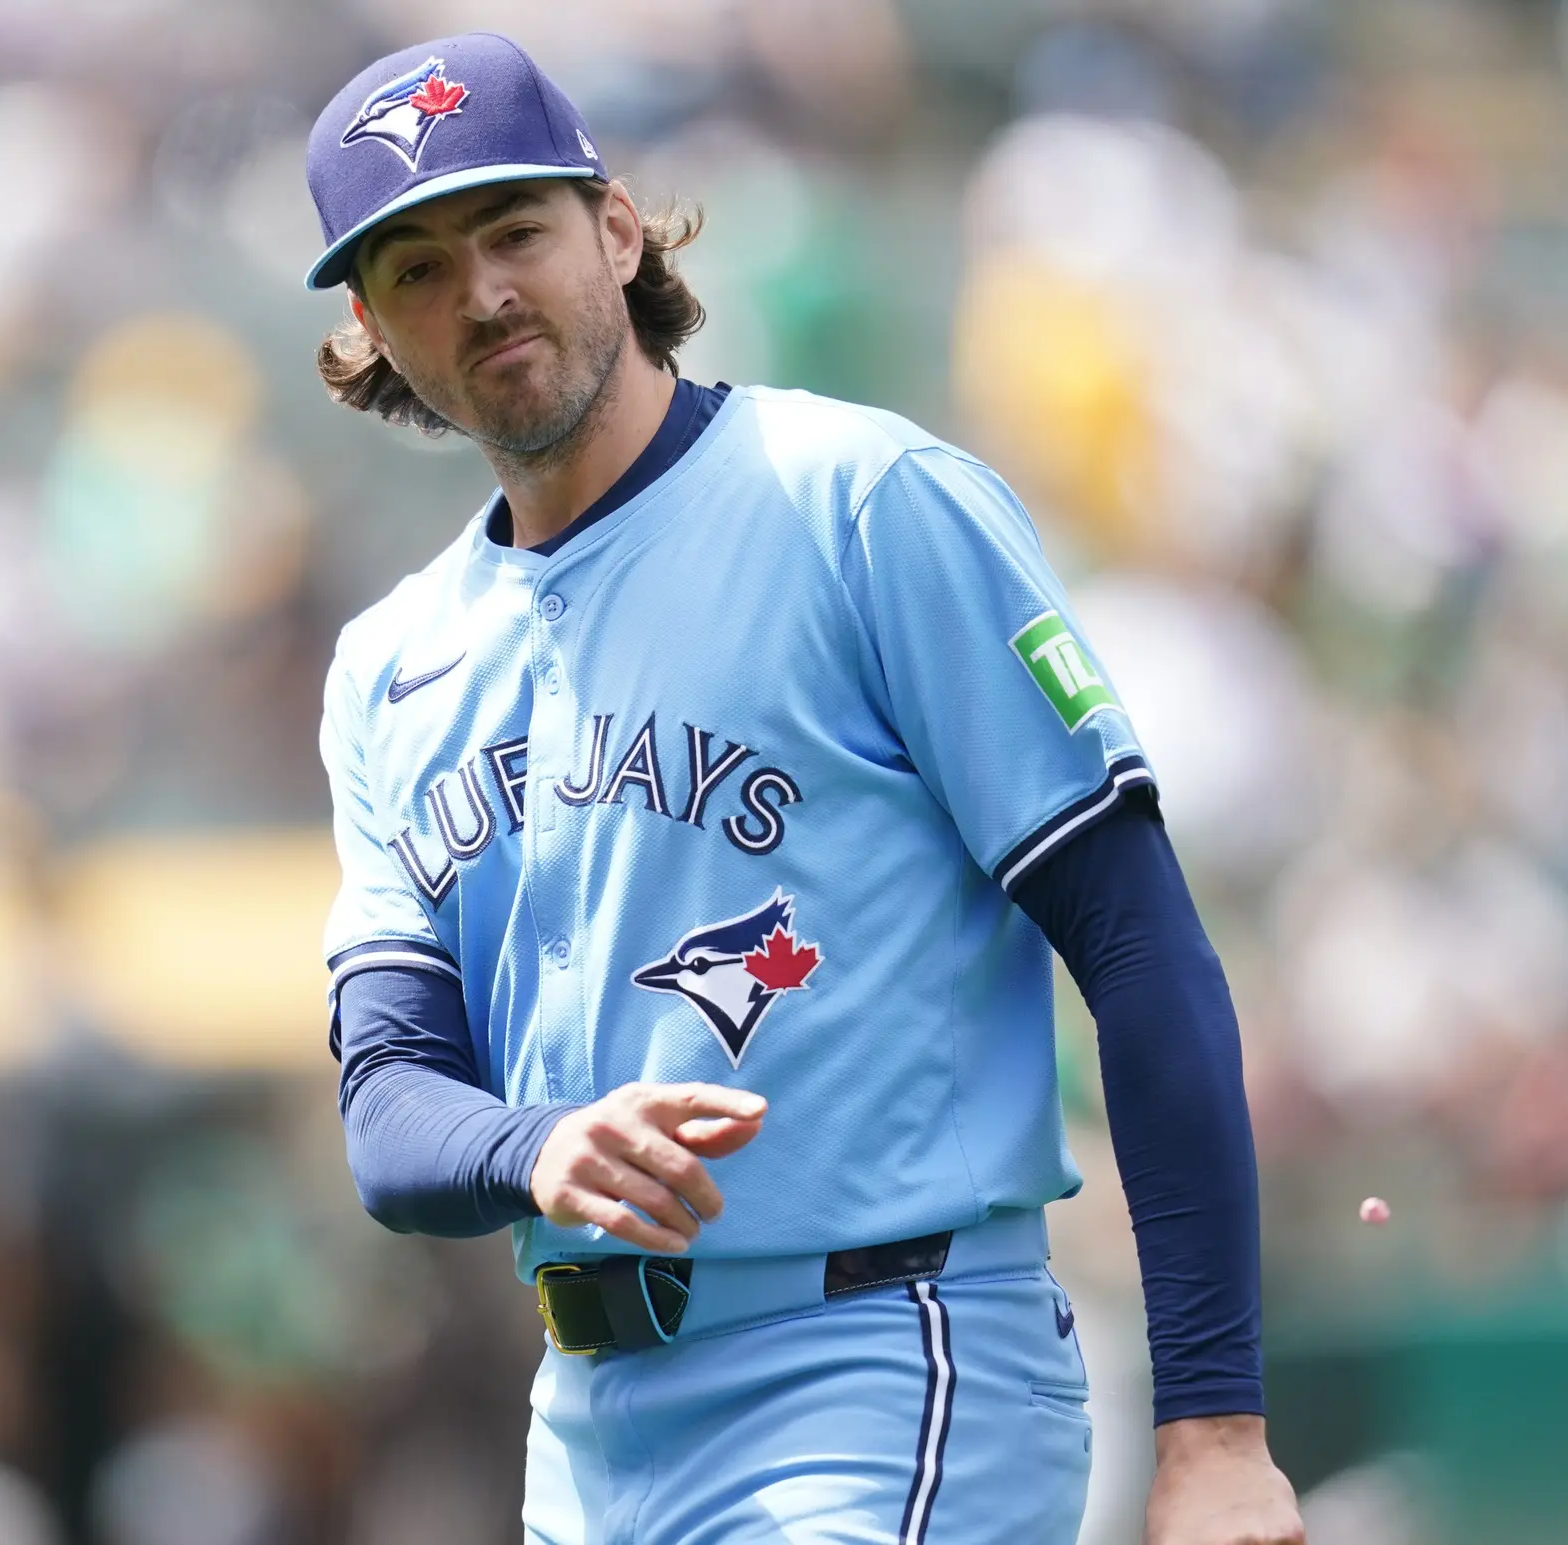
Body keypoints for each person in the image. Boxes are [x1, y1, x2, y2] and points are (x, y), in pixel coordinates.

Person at [304, 31, 1304, 1545]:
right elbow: (388, 1110)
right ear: (371, 328)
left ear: (617, 229)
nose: (483, 291)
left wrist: (1216, 1427)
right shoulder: (390, 668)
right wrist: (536, 1145)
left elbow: (1138, 944)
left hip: (880, 1354)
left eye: (515, 232)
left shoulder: (857, 502)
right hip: (585, 1425)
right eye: (419, 269)